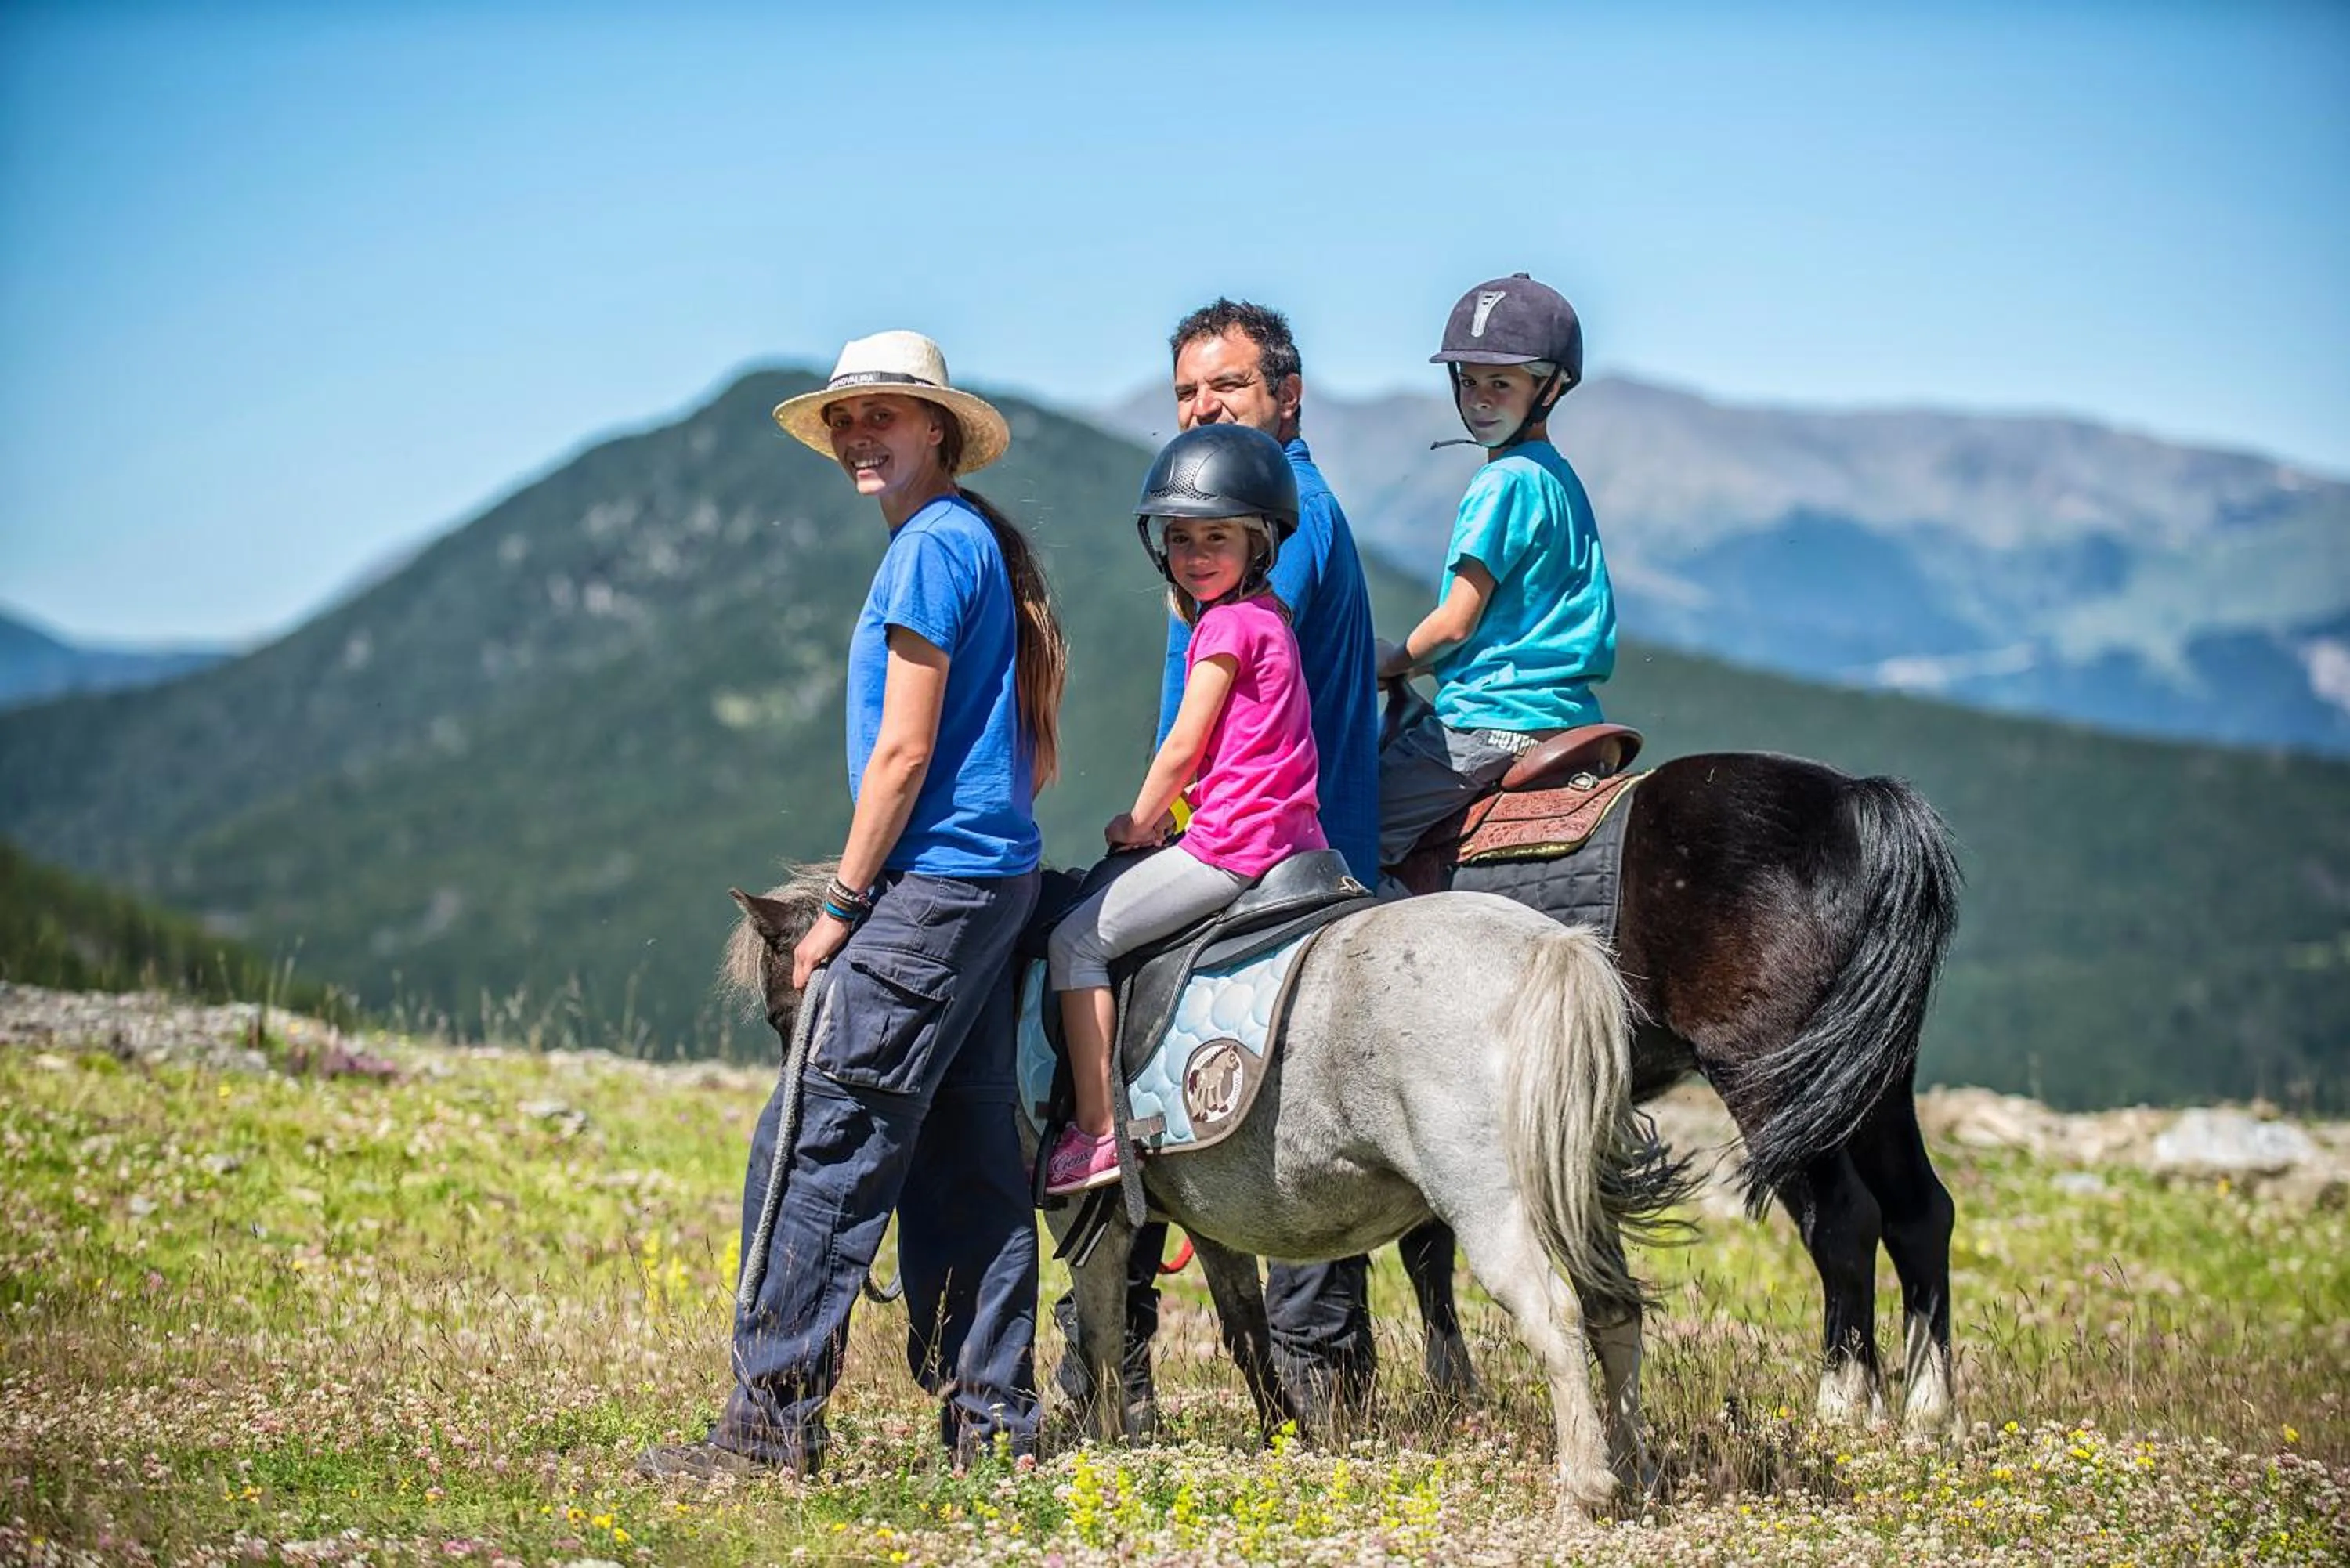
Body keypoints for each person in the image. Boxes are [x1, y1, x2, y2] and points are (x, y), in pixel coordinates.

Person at [638, 330, 1067, 1478]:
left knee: (816, 1138)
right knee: (972, 1152)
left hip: (927, 889)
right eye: (845, 418)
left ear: (937, 428)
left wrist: (843, 902)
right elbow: (1024, 754)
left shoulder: (930, 550)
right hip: (991, 882)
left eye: (884, 413)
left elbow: (903, 751)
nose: (859, 434)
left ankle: (769, 1432)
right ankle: (993, 1427)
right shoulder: (978, 541)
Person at [1055, 300, 1384, 1429]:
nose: (1203, 409)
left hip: (1259, 856)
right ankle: (1126, 1362)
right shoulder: (1239, 510)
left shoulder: (1267, 528)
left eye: (1228, 389)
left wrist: (1149, 818)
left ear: (1288, 395)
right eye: (1188, 394)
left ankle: (1288, 1377)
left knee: (1266, 1108)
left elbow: (1229, 699)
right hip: (1253, 837)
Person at [1040, 421, 1326, 1196]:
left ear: (1259, 542)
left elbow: (1183, 746)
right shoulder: (1272, 617)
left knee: (1076, 942)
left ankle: (1097, 1131)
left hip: (1232, 844)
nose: (1197, 556)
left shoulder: (1223, 626)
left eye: (1217, 539)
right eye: (1182, 539)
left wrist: (1138, 820)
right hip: (1295, 839)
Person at [1376, 273, 1617, 873]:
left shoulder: (1501, 482)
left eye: (1501, 383)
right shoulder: (1557, 476)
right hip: (1566, 715)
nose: (1480, 399)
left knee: (1344, 833)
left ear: (1552, 387)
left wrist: (1388, 660)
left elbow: (1457, 624)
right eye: (1469, 381)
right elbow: (1512, 628)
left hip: (1489, 722)